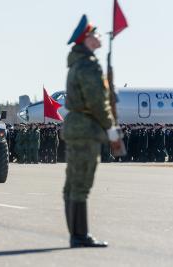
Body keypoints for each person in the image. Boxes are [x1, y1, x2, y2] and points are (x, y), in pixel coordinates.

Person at [62, 14, 122, 248]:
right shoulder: (88, 65)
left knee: (73, 182)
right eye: (95, 33)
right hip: (87, 129)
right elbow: (98, 101)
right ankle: (79, 236)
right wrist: (111, 128)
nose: (99, 36)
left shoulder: (78, 63)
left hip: (78, 127)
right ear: (87, 39)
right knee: (81, 184)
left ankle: (76, 234)